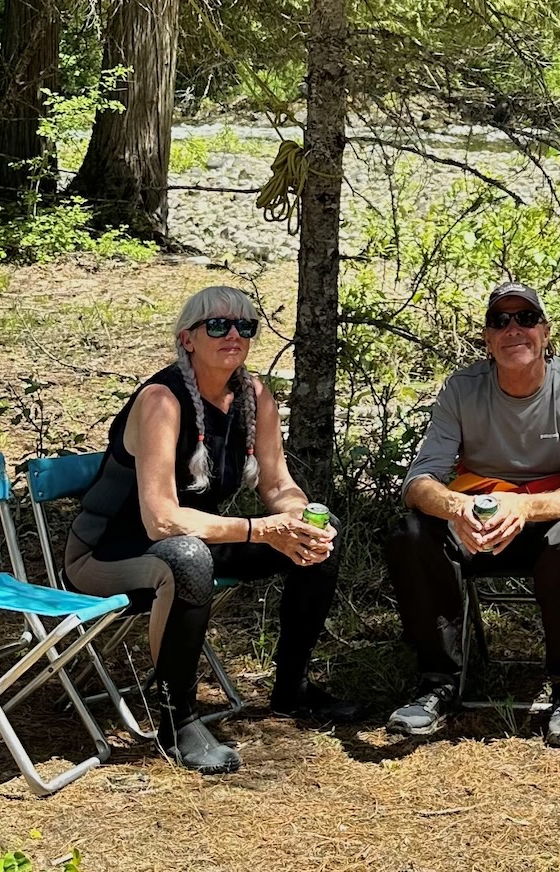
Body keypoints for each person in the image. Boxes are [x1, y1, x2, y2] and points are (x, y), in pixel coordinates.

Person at [67, 286, 360, 775]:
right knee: (187, 559)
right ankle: (177, 719)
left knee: (319, 539)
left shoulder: (253, 397)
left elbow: (278, 483)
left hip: (189, 541)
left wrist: (298, 518)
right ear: (187, 338)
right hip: (107, 556)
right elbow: (160, 519)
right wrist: (261, 529)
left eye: (245, 326)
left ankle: (292, 689)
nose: (234, 335)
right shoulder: (161, 401)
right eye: (218, 326)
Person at [384, 282, 560, 747]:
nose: (514, 329)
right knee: (410, 533)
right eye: (500, 321)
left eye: (526, 319)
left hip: (550, 522)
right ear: (488, 340)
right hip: (477, 520)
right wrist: (456, 507)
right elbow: (418, 480)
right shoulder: (461, 390)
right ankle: (436, 682)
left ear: (545, 333)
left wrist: (525, 507)